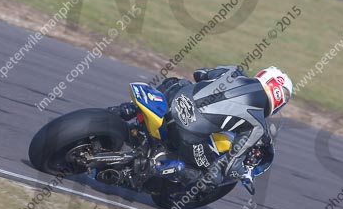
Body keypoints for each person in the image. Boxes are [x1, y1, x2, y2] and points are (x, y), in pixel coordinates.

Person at [111, 65, 292, 192]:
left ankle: (126, 110)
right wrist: (244, 174)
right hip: (187, 134)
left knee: (178, 81)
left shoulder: (234, 72)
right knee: (213, 178)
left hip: (175, 101)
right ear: (279, 102)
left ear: (263, 75)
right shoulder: (258, 124)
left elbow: (200, 74)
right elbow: (231, 165)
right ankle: (156, 167)